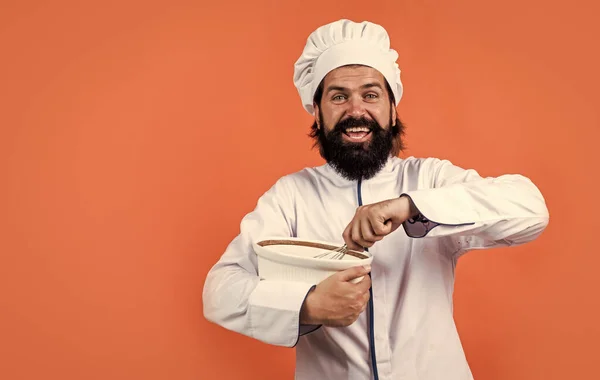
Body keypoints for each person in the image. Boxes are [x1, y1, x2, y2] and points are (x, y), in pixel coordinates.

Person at [202, 19, 549, 380]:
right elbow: (220, 290)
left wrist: (411, 206)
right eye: (338, 96)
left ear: (393, 109)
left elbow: (531, 209)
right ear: (317, 113)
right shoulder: (291, 196)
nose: (356, 110)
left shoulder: (428, 180)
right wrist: (306, 305)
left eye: (370, 95)